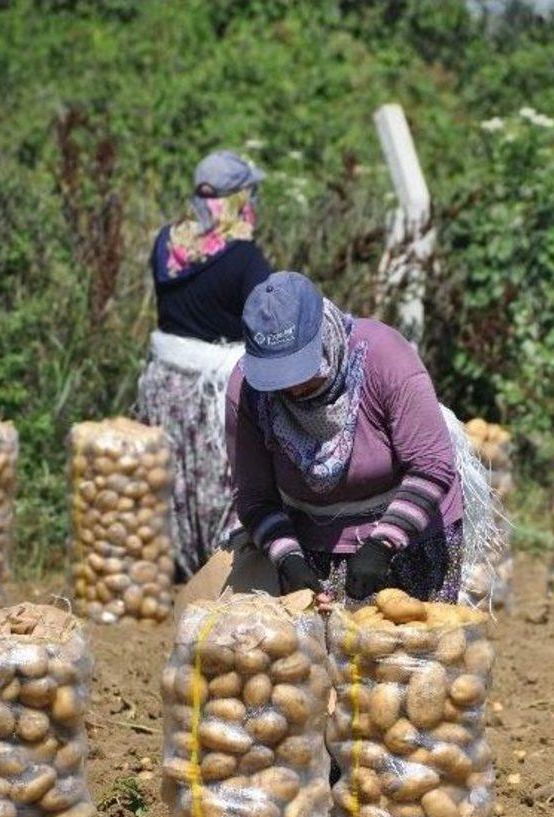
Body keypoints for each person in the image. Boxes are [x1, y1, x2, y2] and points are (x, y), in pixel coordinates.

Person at [225, 271, 464, 603]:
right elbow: (254, 496)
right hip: (309, 547)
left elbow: (432, 466)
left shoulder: (385, 359)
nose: (292, 388)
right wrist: (289, 559)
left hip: (411, 537)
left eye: (299, 369)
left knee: (408, 650)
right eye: (278, 377)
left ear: (322, 336)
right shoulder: (248, 390)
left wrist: (383, 543)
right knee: (321, 654)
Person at [138, 150, 273, 579]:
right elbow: (264, 319)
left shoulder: (167, 244)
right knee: (222, 480)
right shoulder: (244, 258)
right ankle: (216, 568)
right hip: (214, 390)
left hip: (166, 385)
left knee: (173, 479)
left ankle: (172, 565)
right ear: (238, 198)